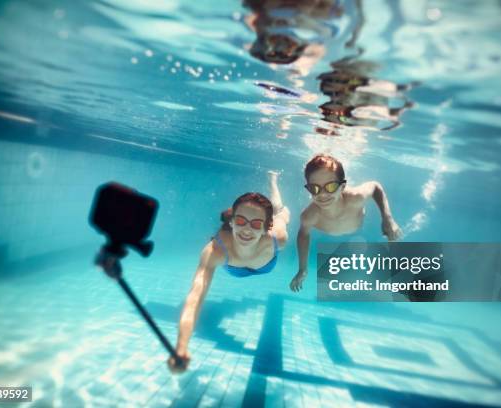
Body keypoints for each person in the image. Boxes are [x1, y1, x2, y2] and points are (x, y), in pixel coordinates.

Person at [168, 171, 290, 372]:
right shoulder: (215, 250)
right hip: (234, 259)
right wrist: (181, 347)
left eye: (256, 224)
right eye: (241, 221)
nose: (247, 230)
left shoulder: (277, 239)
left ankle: (273, 180)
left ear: (266, 227)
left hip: (266, 253)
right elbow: (194, 298)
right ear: (232, 221)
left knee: (281, 211)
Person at [290, 154, 401, 292]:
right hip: (331, 233)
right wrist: (303, 269)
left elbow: (375, 187)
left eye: (330, 187)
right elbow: (303, 235)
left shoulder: (356, 198)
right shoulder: (309, 216)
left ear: (342, 187)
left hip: (359, 226)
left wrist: (387, 218)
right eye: (315, 188)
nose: (322, 194)